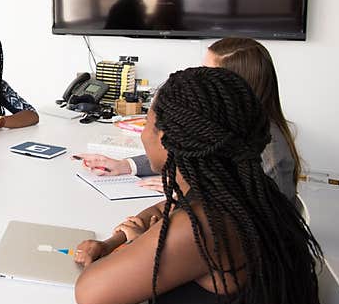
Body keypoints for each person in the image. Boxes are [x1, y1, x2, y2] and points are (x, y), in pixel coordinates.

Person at [46, 66, 327, 304]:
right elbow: (167, 206)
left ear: (165, 140)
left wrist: (134, 243)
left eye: (147, 125)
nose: (142, 134)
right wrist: (126, 236)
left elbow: (90, 291)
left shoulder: (203, 226)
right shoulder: (243, 189)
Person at [76, 37, 300, 202]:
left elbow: (267, 219)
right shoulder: (225, 127)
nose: (196, 79)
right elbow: (189, 152)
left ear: (232, 85)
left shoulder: (270, 151)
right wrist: (126, 165)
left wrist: (190, 194)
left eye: (207, 72)